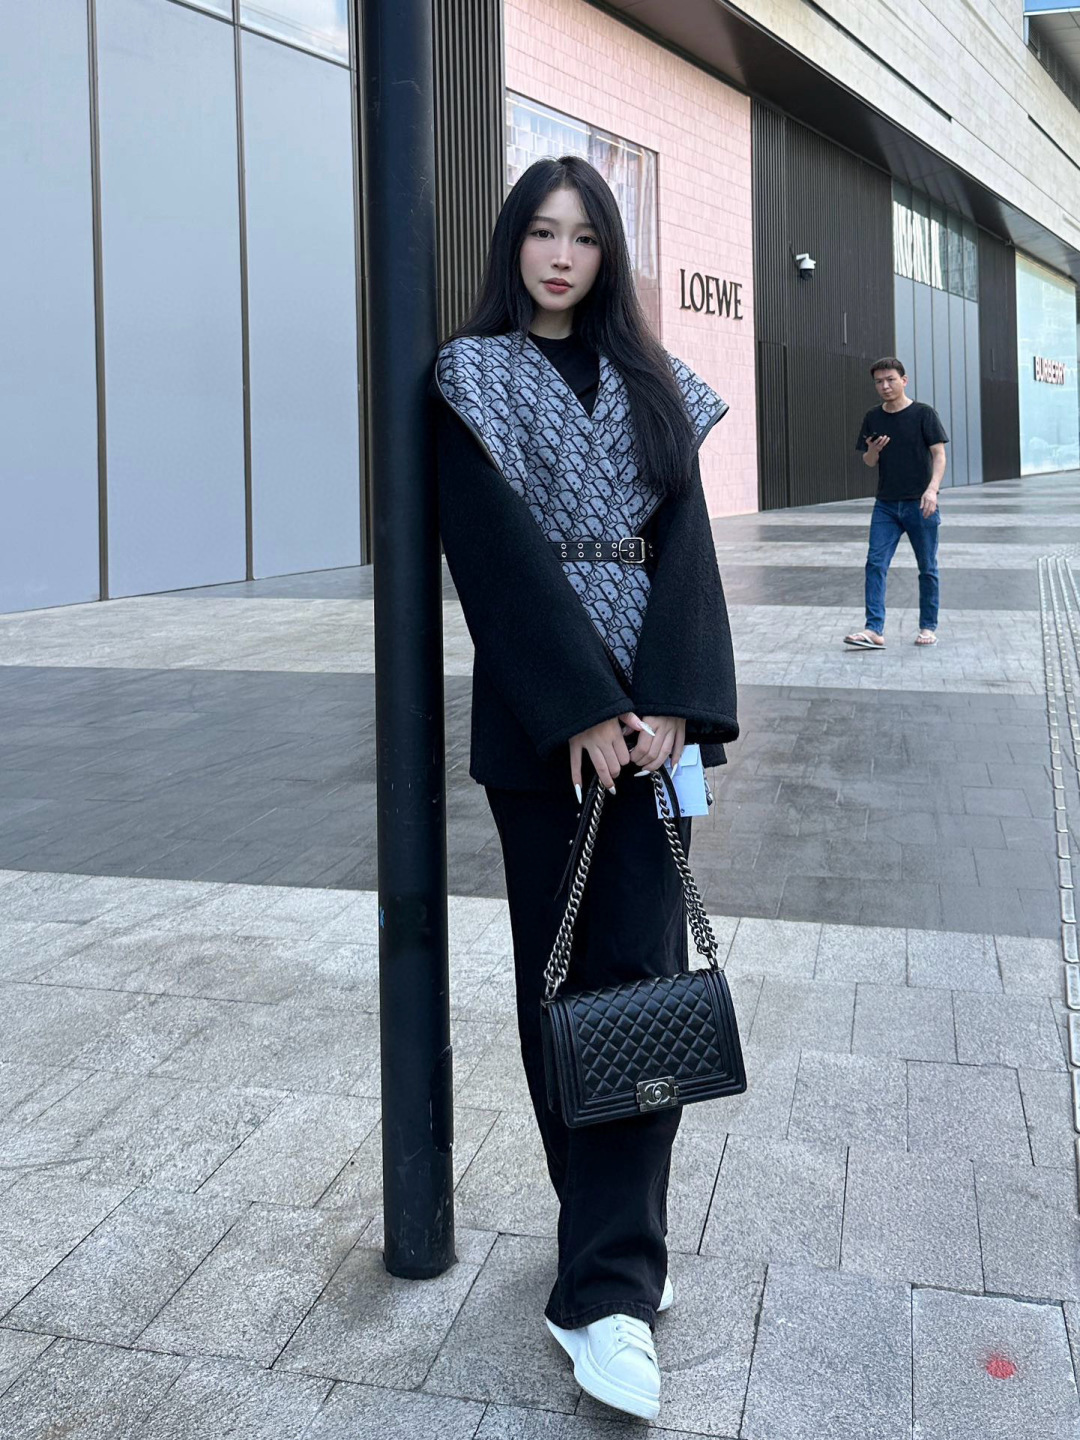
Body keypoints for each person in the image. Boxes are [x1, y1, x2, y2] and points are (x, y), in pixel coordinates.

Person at [432, 156, 738, 1421]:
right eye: (542, 233)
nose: (561, 256)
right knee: (562, 989)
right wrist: (578, 705)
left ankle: (609, 1278)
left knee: (644, 986)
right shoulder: (471, 377)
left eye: (586, 237)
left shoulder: (654, 382)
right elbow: (488, 553)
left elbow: (689, 548)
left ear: (609, 256)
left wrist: (669, 700)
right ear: (514, 243)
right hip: (546, 735)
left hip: (652, 738)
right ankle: (607, 1268)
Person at [843, 357, 948, 650]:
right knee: (875, 563)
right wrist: (873, 450)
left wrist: (932, 490)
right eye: (879, 381)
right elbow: (868, 461)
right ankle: (874, 630)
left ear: (904, 380)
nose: (885, 386)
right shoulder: (872, 417)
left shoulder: (924, 414)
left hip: (920, 503)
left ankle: (927, 627)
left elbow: (939, 455)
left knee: (927, 566)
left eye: (890, 379)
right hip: (886, 504)